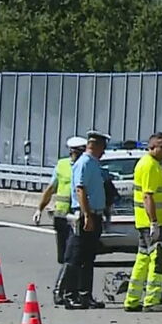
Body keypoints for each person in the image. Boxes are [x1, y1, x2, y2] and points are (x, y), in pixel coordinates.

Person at [33, 136, 86, 305]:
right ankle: (64, 290)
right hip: (62, 217)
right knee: (65, 256)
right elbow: (51, 188)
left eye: (78, 152)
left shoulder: (85, 165)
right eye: (73, 152)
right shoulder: (62, 165)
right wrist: (39, 209)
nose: (75, 154)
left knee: (73, 256)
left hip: (76, 216)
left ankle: (64, 291)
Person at [122, 132, 162, 312]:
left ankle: (132, 299)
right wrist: (154, 222)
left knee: (142, 259)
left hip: (144, 222)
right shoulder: (150, 166)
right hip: (152, 222)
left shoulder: (149, 164)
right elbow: (147, 196)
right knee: (158, 259)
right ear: (151, 147)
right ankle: (152, 300)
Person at [62, 130, 110, 310]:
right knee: (76, 256)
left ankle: (85, 295)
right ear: (94, 145)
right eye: (102, 147)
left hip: (94, 214)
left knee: (88, 258)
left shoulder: (93, 163)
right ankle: (70, 295)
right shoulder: (84, 163)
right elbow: (80, 189)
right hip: (84, 215)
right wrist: (87, 215)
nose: (103, 152)